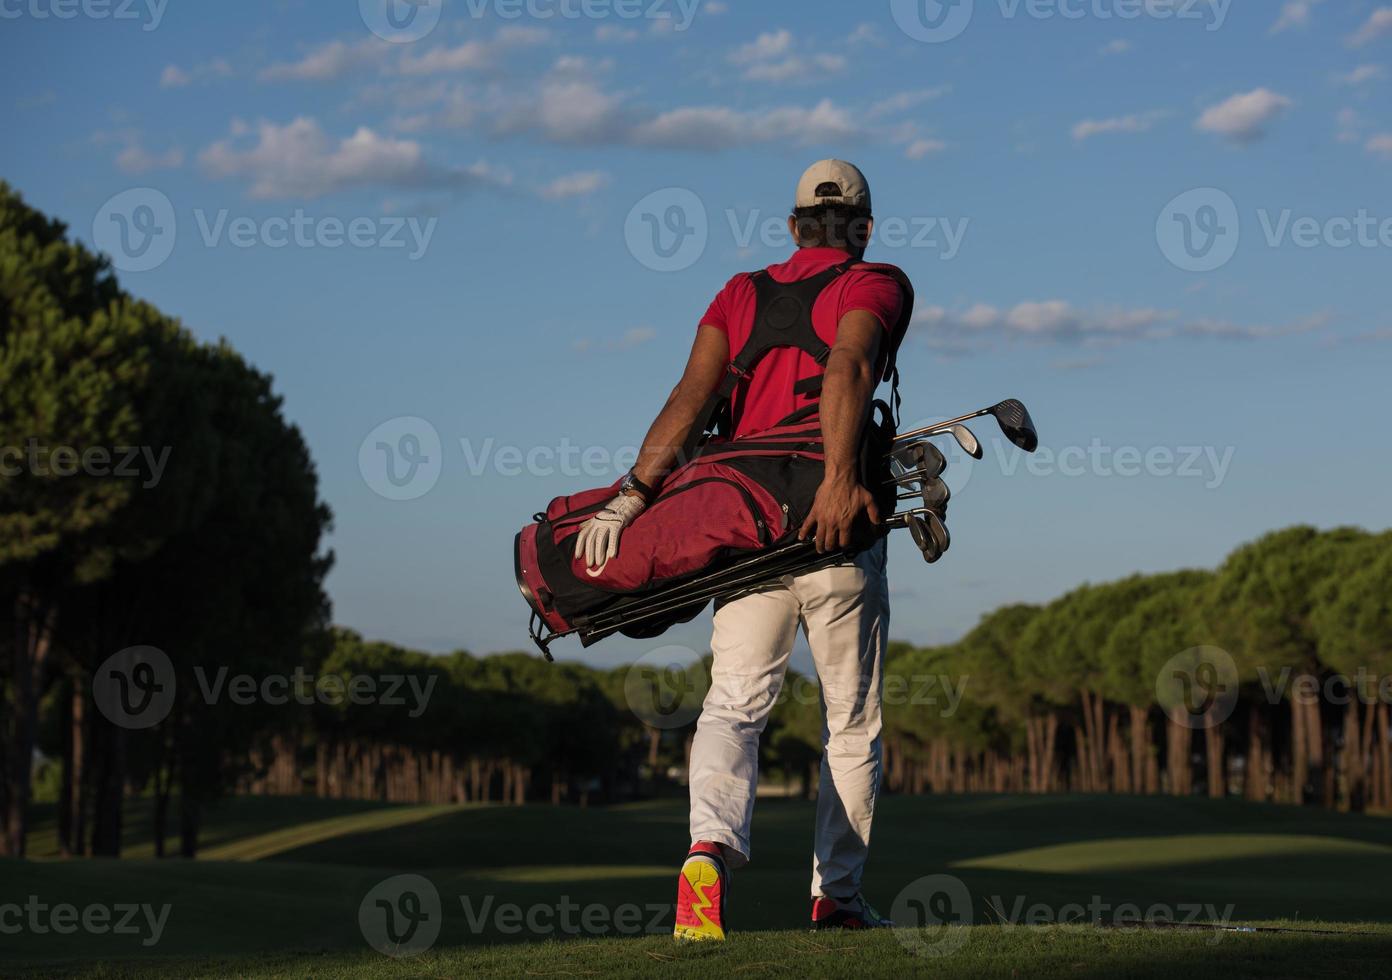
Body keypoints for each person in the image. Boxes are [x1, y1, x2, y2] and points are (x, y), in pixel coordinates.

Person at [574, 160, 909, 940]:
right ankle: (837, 901)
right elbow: (852, 363)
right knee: (850, 724)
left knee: (734, 706)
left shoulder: (739, 293)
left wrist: (630, 496)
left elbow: (690, 403)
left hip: (750, 534)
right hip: (836, 529)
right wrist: (835, 479)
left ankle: (706, 853)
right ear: (863, 229)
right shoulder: (876, 282)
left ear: (791, 228)